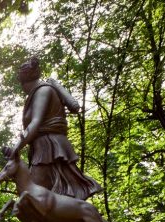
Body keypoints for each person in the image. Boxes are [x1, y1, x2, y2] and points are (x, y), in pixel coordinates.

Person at [9, 58, 102, 201]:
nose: (22, 87)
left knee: (33, 195)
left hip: (50, 148)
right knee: (37, 196)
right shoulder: (38, 92)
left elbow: (35, 122)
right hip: (42, 147)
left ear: (25, 82)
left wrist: (17, 147)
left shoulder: (43, 91)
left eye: (22, 83)